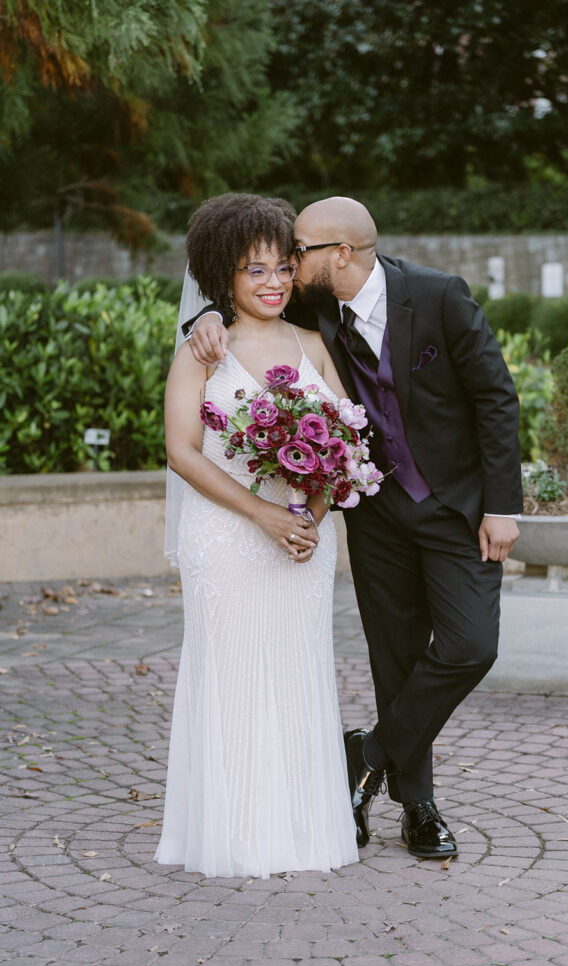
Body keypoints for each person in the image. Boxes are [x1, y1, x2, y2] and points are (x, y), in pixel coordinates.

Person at [184, 196, 522, 859]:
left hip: (455, 507)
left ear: (340, 254)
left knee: (470, 645)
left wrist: (501, 505)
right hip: (376, 514)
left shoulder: (440, 296)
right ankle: (418, 808)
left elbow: (495, 396)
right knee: (394, 658)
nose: (285, 265)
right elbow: (241, 294)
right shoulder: (315, 305)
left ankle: (364, 755)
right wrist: (202, 317)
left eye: (297, 254)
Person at [154, 193, 358, 878]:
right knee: (234, 675)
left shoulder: (311, 343)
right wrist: (262, 513)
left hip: (302, 537)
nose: (272, 283)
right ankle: (234, 831)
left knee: (297, 672)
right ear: (225, 277)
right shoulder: (203, 349)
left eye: (281, 268)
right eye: (254, 270)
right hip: (227, 537)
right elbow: (183, 452)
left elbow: (345, 439)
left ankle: (303, 832)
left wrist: (314, 515)